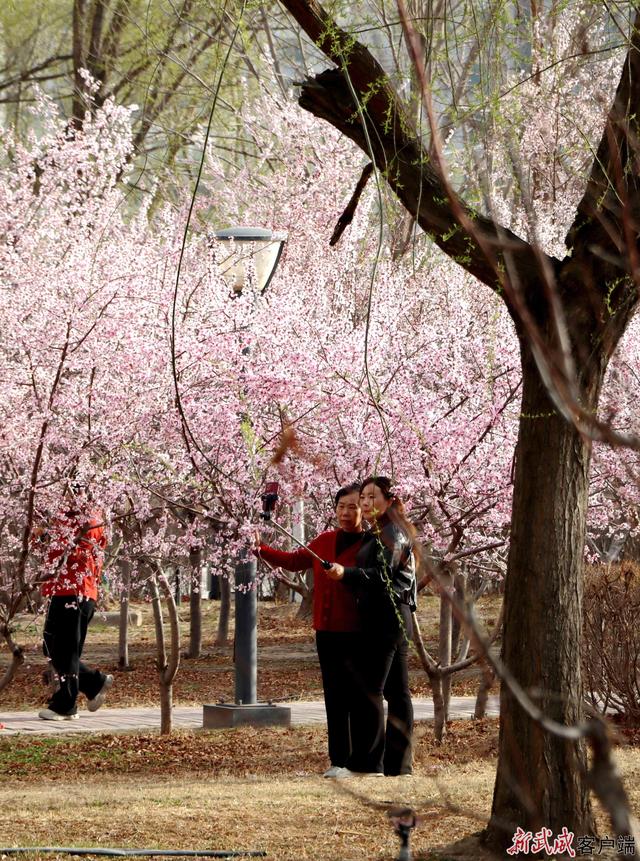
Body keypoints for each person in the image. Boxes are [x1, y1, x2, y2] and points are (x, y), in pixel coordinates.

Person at [255, 483, 364, 777]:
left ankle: (359, 760)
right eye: (341, 506)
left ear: (364, 509)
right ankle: (338, 759)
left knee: (357, 695)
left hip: (358, 631)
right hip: (326, 630)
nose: (346, 512)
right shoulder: (325, 540)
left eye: (353, 506)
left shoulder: (370, 545)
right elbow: (293, 562)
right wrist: (261, 550)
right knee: (334, 694)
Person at [328, 475, 417, 776]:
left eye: (372, 497)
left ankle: (368, 765)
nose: (365, 503)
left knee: (371, 690)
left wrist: (347, 573)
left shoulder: (393, 534)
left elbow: (381, 577)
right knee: (397, 692)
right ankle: (398, 765)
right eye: (363, 497)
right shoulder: (380, 532)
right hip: (389, 616)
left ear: (389, 501)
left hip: (387, 617)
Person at [37, 483, 113, 721]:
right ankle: (93, 682)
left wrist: (50, 535)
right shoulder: (66, 518)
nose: (65, 497)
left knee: (66, 650)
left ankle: (66, 704)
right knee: (51, 645)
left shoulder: (89, 519)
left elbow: (79, 547)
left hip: (76, 592)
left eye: (70, 492)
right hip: (63, 590)